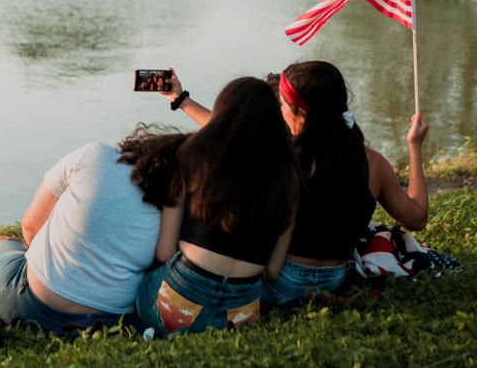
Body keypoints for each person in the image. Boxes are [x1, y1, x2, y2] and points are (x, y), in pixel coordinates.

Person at [164, 62, 429, 307]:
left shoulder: (282, 156)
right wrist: (414, 146)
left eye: (282, 104)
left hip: (282, 281)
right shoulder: (374, 163)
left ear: (299, 112)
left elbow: (230, 131)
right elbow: (416, 218)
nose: (278, 110)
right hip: (334, 279)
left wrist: (180, 101)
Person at [0, 125, 189, 334]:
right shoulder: (172, 206)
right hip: (112, 323)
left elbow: (30, 226)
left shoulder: (93, 155)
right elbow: (163, 259)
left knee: (3, 244)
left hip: (30, 308)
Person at [135, 77, 301, 335]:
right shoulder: (289, 176)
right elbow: (272, 270)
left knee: (141, 285)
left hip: (176, 307)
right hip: (241, 317)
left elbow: (165, 252)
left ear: (222, 111)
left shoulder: (192, 156)